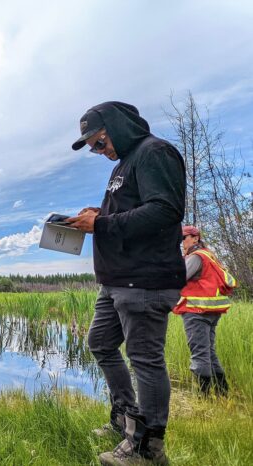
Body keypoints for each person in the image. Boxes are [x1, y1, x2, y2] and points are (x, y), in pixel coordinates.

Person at [67, 101, 186, 465]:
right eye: (93, 149)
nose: (99, 152)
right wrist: (99, 214)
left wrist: (100, 224)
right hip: (117, 280)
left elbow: (165, 210)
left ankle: (148, 449)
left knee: (145, 360)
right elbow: (129, 214)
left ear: (117, 127)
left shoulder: (154, 152)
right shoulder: (124, 165)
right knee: (100, 342)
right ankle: (125, 419)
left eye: (100, 143)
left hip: (145, 279)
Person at [174, 225, 237, 396]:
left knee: (200, 354)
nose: (182, 242)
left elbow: (178, 278)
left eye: (184, 238)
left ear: (195, 238)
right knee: (209, 352)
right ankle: (222, 393)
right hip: (211, 312)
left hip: (196, 311)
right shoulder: (208, 255)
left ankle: (204, 397)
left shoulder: (196, 257)